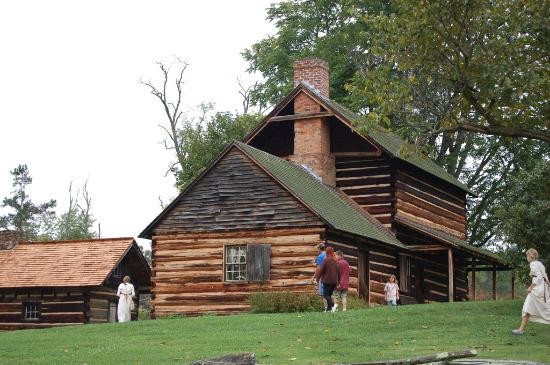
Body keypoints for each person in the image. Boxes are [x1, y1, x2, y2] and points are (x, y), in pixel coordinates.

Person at [512, 248, 550, 335]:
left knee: (544, 310)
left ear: (531, 256)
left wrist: (530, 287)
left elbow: (539, 277)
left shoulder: (533, 264)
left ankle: (521, 330)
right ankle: (521, 330)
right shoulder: (540, 264)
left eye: (527, 256)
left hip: (536, 290)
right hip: (541, 289)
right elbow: (545, 277)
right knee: (528, 308)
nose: (527, 258)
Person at [313, 246, 339, 312]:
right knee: (329, 295)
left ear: (327, 252)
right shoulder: (336, 260)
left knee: (325, 295)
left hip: (327, 280)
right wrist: (338, 281)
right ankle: (329, 309)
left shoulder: (326, 260)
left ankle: (333, 305)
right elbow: (338, 271)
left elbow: (321, 270)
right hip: (334, 281)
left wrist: (317, 279)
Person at [312, 243, 327, 311]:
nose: (317, 250)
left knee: (323, 294)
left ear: (319, 249)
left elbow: (318, 268)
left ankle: (327, 308)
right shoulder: (328, 255)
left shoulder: (320, 256)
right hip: (330, 276)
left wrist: (313, 277)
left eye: (317, 249)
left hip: (323, 277)